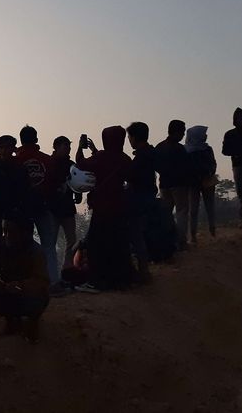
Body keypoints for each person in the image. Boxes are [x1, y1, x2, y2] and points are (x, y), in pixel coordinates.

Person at [0, 209, 50, 343]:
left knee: (38, 299)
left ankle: (32, 321)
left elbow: (42, 281)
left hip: (27, 293)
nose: (7, 235)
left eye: (11, 231)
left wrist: (21, 285)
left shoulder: (35, 251)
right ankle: (11, 320)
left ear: (23, 233)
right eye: (5, 231)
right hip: (6, 290)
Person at [76, 126, 133, 290]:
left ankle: (96, 280)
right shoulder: (125, 158)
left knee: (97, 245)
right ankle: (121, 280)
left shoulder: (101, 157)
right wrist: (95, 150)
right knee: (118, 245)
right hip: (120, 208)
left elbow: (81, 162)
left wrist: (81, 146)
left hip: (101, 209)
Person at [15, 125, 62, 294]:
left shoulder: (16, 160)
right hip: (43, 207)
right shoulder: (47, 160)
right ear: (36, 139)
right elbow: (55, 183)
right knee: (49, 246)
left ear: (21, 140)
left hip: (22, 210)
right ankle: (53, 283)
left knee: (22, 246)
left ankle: (25, 284)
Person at [125, 122, 158, 282]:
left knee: (136, 236)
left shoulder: (141, 157)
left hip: (139, 200)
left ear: (135, 137)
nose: (128, 140)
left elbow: (130, 175)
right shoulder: (150, 152)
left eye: (129, 136)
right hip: (148, 197)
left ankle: (143, 272)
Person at [155, 120, 191, 249]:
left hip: (164, 184)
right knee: (181, 211)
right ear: (177, 132)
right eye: (182, 132)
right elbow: (186, 167)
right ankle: (181, 241)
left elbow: (156, 166)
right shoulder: (179, 148)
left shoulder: (159, 147)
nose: (182, 135)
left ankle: (167, 242)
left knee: (166, 214)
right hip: (179, 184)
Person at [49, 135, 82, 270]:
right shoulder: (50, 164)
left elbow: (77, 182)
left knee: (71, 241)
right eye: (65, 146)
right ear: (56, 147)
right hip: (53, 208)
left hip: (67, 208)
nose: (68, 149)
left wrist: (78, 193)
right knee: (51, 242)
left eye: (69, 146)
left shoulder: (71, 165)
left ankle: (66, 270)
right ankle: (53, 274)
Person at [185, 125, 217, 241]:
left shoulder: (205, 149)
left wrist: (209, 172)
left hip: (204, 180)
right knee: (194, 209)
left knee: (209, 208)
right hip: (194, 182)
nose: (206, 136)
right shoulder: (188, 151)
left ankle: (212, 231)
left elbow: (213, 164)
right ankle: (193, 234)